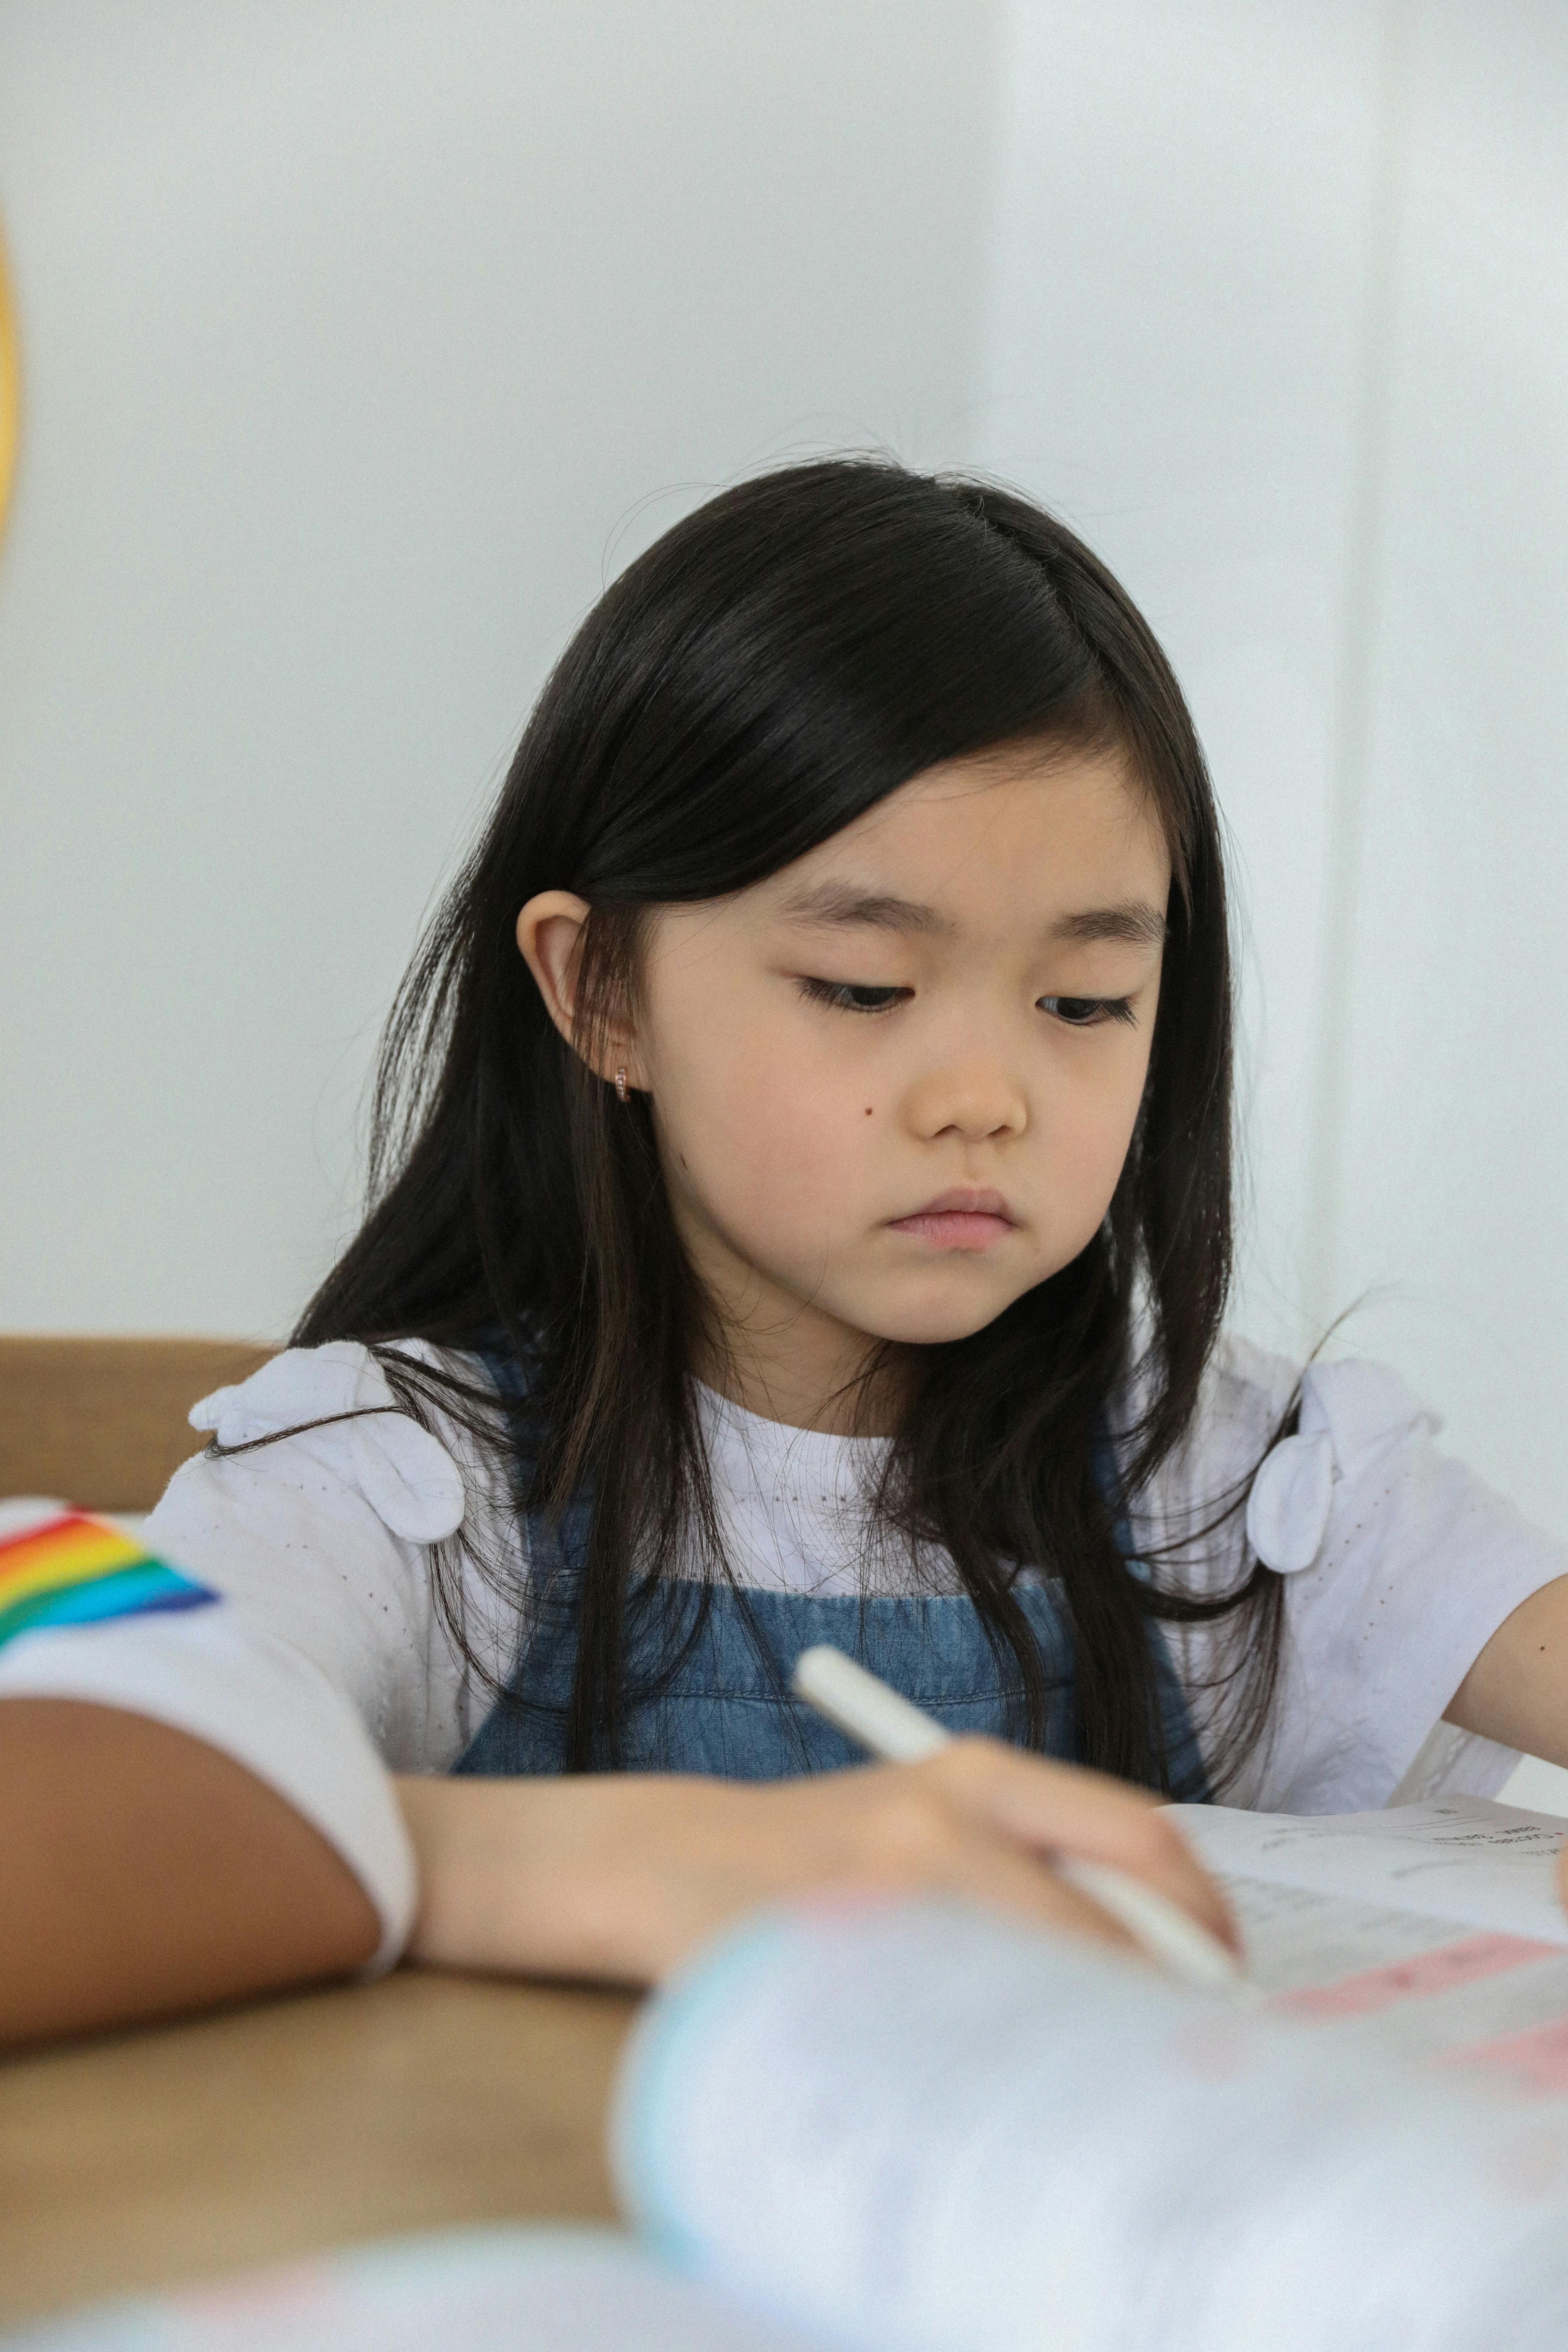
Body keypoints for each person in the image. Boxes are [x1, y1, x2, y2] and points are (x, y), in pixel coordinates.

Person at [4, 460, 1564, 2048]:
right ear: (602, 990)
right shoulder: (394, 1484)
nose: (983, 1101)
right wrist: (613, 1863)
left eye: (1086, 1004)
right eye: (862, 987)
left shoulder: (1240, 1484)